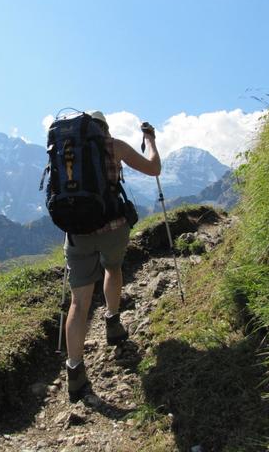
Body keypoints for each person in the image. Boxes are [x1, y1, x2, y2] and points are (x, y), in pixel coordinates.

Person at [65, 110, 161, 401]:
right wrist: (150, 140)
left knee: (78, 303)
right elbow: (154, 168)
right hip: (113, 228)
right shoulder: (114, 146)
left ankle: (75, 371)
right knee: (112, 268)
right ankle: (113, 322)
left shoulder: (66, 151)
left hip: (77, 232)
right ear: (104, 128)